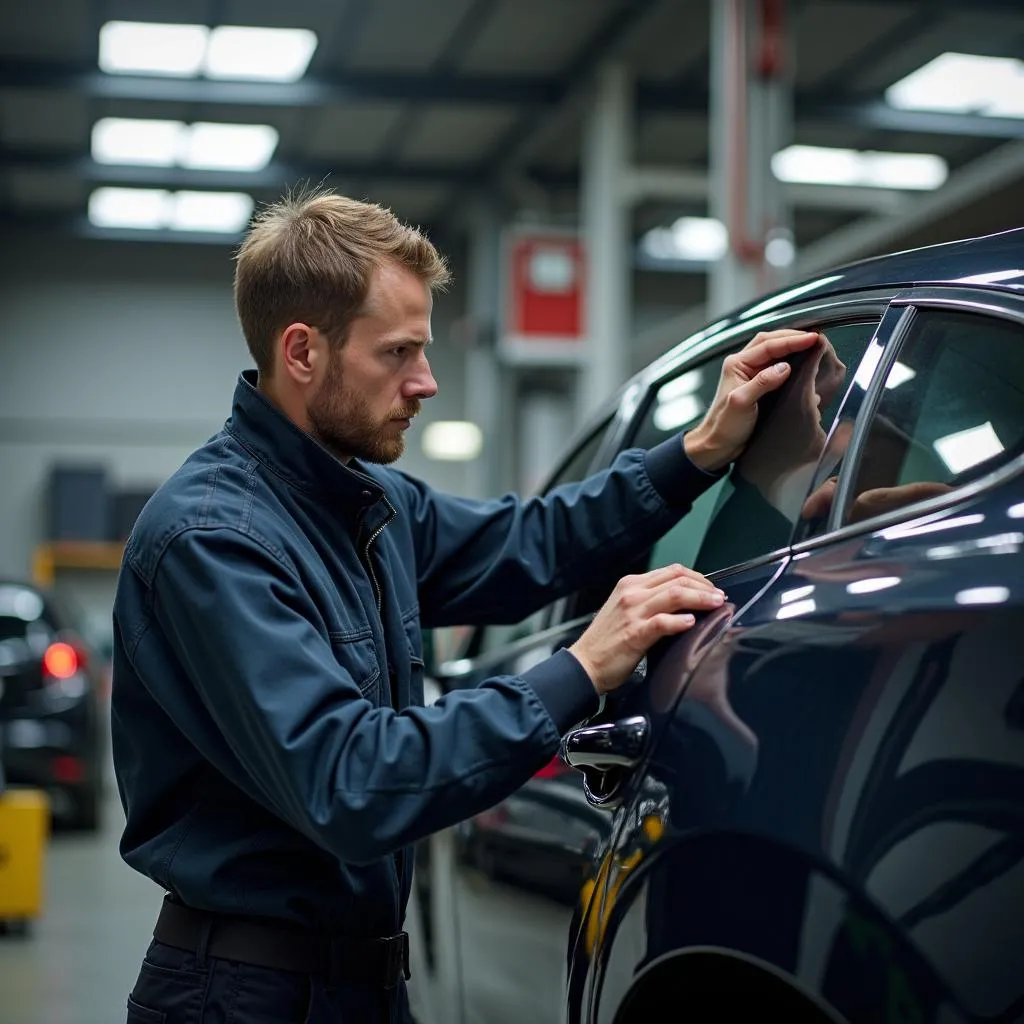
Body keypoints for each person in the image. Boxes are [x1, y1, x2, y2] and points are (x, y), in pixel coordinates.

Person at [110, 187, 822, 1024]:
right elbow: (353, 780)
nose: (427, 382)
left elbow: (532, 544)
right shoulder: (213, 541)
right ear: (302, 352)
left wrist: (701, 450)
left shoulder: (367, 502)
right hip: (246, 999)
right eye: (398, 353)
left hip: (360, 987)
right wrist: (584, 669)